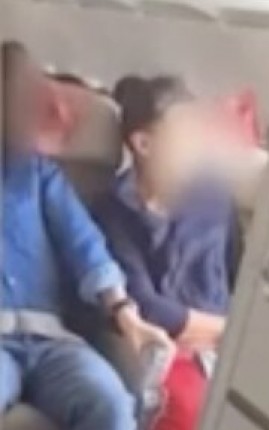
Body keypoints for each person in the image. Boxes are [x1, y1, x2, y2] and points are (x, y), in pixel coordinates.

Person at [1, 41, 174, 429]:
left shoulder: (40, 176)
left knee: (110, 406)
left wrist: (127, 315)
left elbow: (85, 246)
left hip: (51, 342)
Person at [93, 75, 240, 430]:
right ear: (144, 143)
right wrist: (233, 331)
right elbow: (147, 306)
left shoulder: (216, 198)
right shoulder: (113, 212)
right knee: (189, 410)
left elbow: (241, 275)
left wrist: (236, 335)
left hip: (225, 346)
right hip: (166, 348)